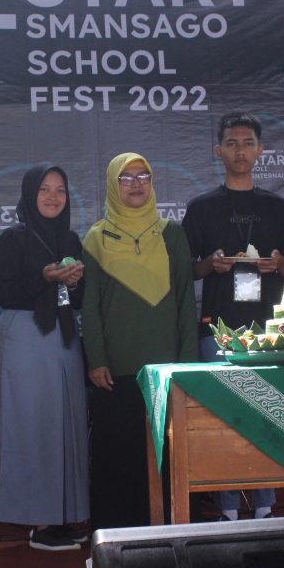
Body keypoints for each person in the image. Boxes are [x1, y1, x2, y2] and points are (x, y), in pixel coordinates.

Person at [181, 112, 284, 521]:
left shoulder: (277, 207)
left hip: (267, 330)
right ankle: (227, 508)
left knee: (266, 416)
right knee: (223, 417)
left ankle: (265, 505)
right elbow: (186, 270)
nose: (240, 151)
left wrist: (278, 263)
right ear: (219, 151)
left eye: (248, 143)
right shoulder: (201, 208)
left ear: (260, 150)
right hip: (217, 328)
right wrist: (209, 265)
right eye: (232, 143)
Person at [82, 152, 198, 529]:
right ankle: (117, 537)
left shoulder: (172, 233)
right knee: (118, 456)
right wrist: (96, 359)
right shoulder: (96, 237)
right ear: (113, 185)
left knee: (167, 456)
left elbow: (186, 300)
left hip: (166, 369)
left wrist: (188, 362)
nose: (136, 184)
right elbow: (90, 307)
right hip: (115, 370)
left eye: (143, 176)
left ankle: (170, 533)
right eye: (126, 178)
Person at [0, 164, 90, 551]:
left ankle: (66, 514)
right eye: (45, 189)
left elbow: (78, 299)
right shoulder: (13, 238)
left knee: (67, 425)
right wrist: (43, 279)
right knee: (33, 426)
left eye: (60, 190)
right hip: (27, 336)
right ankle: (40, 522)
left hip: (64, 336)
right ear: (30, 194)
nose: (52, 197)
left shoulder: (70, 239)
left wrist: (74, 284)